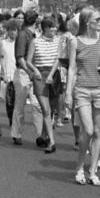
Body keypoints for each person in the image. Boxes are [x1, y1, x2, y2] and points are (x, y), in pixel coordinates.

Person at [67, 7, 100, 187]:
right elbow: (72, 68)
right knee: (87, 131)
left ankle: (92, 171)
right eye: (98, 19)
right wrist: (67, 92)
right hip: (82, 91)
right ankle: (80, 167)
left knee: (97, 132)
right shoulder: (75, 42)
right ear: (88, 22)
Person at [12, 10, 44, 147]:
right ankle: (16, 134)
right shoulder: (23, 35)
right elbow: (20, 58)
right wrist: (29, 71)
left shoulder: (35, 35)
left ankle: (41, 135)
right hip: (24, 72)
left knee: (38, 105)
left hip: (34, 72)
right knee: (20, 105)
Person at [28, 17, 60, 153]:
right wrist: (35, 70)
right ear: (45, 28)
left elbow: (58, 59)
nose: (54, 29)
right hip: (40, 75)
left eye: (55, 27)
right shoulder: (35, 42)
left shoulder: (58, 41)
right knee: (45, 110)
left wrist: (52, 74)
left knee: (52, 110)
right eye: (51, 27)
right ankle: (52, 142)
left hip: (53, 75)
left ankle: (43, 136)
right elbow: (29, 60)